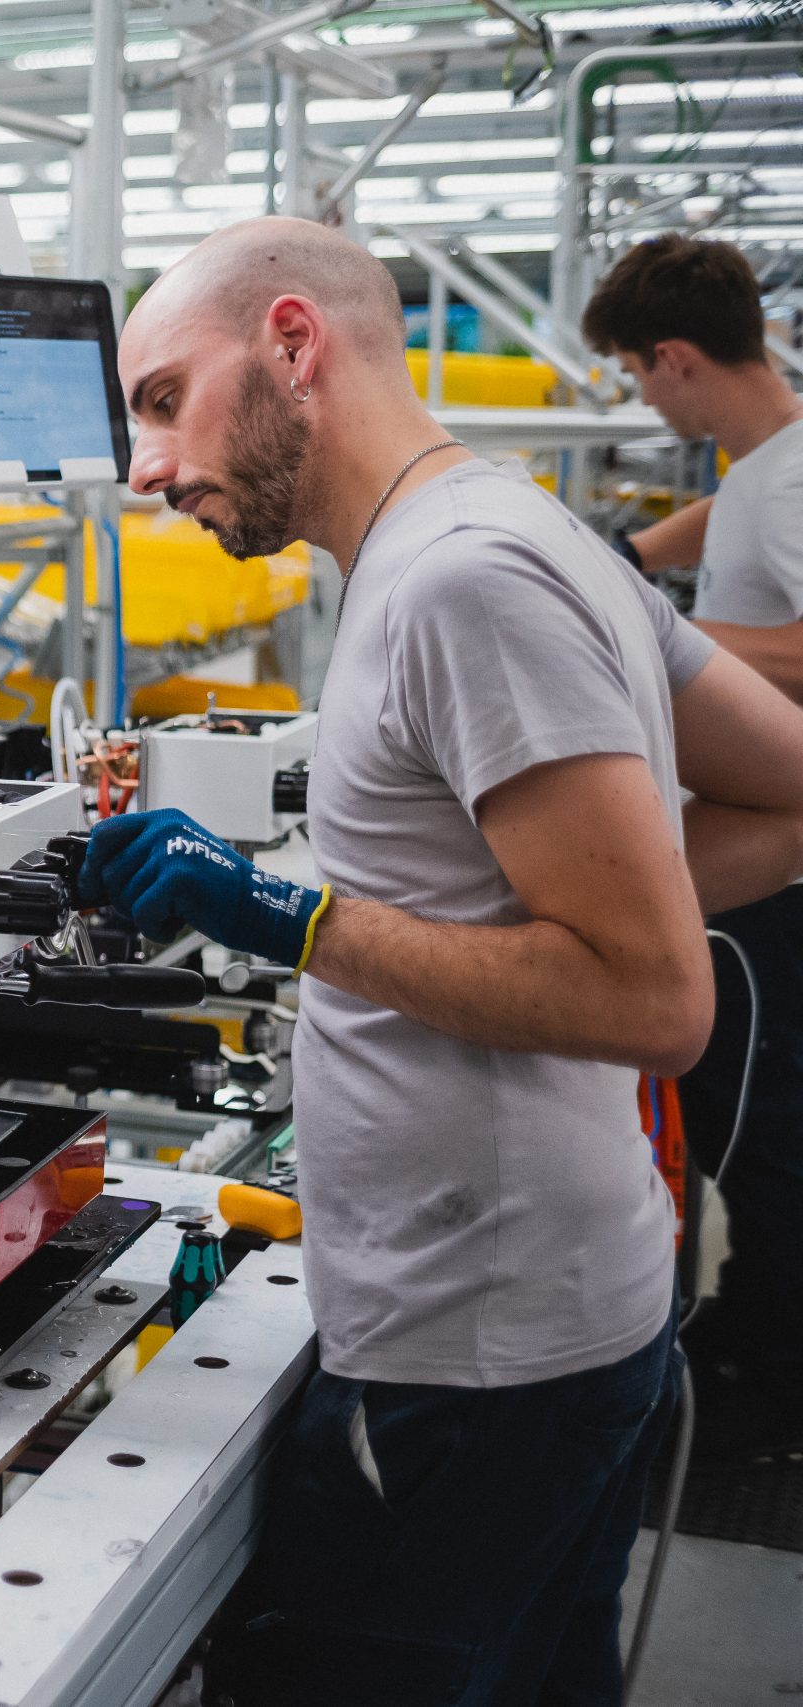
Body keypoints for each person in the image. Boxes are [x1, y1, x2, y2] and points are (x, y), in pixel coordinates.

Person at [81, 216, 803, 1704]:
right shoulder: (520, 533)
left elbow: (659, 1002)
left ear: (293, 344)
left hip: (469, 1364)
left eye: (162, 399)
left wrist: (294, 919)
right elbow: (787, 787)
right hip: (562, 1320)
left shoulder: (461, 582)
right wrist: (594, 897)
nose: (146, 467)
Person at [583, 233, 803, 1461]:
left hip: (779, 875)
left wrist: (659, 638)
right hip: (756, 854)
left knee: (764, 1140)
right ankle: (748, 1331)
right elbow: (745, 501)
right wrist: (629, 559)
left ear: (672, 359)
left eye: (635, 375)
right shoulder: (775, 454)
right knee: (739, 1122)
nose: (641, 399)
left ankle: (774, 1394)